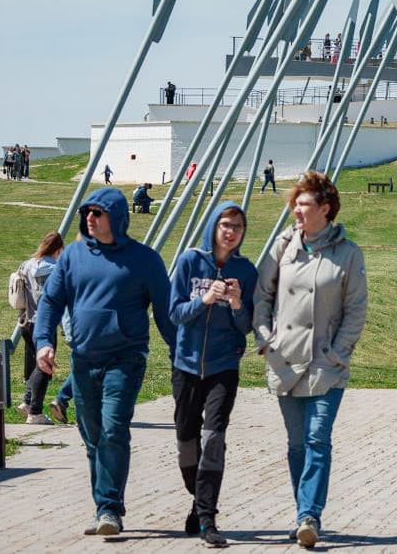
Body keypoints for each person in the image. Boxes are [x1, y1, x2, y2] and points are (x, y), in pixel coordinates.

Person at [33, 188, 175, 537]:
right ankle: (103, 506)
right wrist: (43, 343)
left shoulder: (145, 260)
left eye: (98, 212)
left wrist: (180, 353)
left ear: (117, 216)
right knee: (92, 435)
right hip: (83, 359)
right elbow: (51, 302)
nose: (90, 218)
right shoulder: (72, 257)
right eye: (88, 213)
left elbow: (165, 311)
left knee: (113, 429)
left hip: (125, 358)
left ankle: (109, 507)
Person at [254, 171, 368, 549]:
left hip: (325, 364)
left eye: (304, 204)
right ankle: (303, 509)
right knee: (296, 445)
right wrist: (266, 340)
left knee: (318, 439)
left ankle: (309, 516)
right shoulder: (282, 246)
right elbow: (261, 298)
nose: (297, 211)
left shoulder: (348, 254)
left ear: (326, 209)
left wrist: (337, 352)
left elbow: (356, 310)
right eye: (295, 204)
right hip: (285, 360)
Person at [170, 201, 258, 547]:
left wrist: (237, 304)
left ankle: (207, 518)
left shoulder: (247, 271)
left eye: (237, 227)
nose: (231, 232)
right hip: (186, 365)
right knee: (185, 444)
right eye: (225, 224)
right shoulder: (190, 261)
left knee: (213, 440)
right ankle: (197, 500)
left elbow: (246, 326)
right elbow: (175, 313)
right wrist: (204, 300)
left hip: (224, 367)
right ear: (214, 226)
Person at [16, 232, 64, 424]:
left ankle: (27, 402)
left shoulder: (26, 265)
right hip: (43, 323)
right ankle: (34, 412)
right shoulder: (54, 268)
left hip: (25, 321)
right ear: (59, 249)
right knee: (45, 366)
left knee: (39, 365)